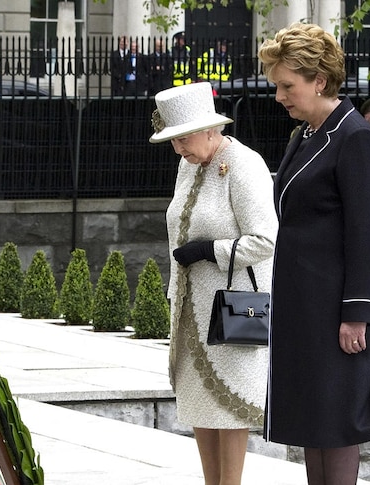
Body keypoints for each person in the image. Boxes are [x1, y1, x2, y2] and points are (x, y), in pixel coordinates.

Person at [257, 23, 370, 485]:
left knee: (336, 417)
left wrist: (357, 312)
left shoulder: (354, 137)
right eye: (278, 86)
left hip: (333, 308)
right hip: (301, 306)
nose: (279, 97)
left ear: (319, 81)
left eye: (287, 86)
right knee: (314, 418)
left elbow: (366, 233)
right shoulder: (305, 135)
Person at [150, 81, 276, 485]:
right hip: (190, 308)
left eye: (182, 138)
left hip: (232, 307)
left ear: (210, 129)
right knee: (201, 407)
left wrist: (211, 250)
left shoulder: (244, 163)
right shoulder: (188, 164)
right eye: (172, 140)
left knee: (230, 408)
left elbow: (267, 240)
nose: (178, 149)